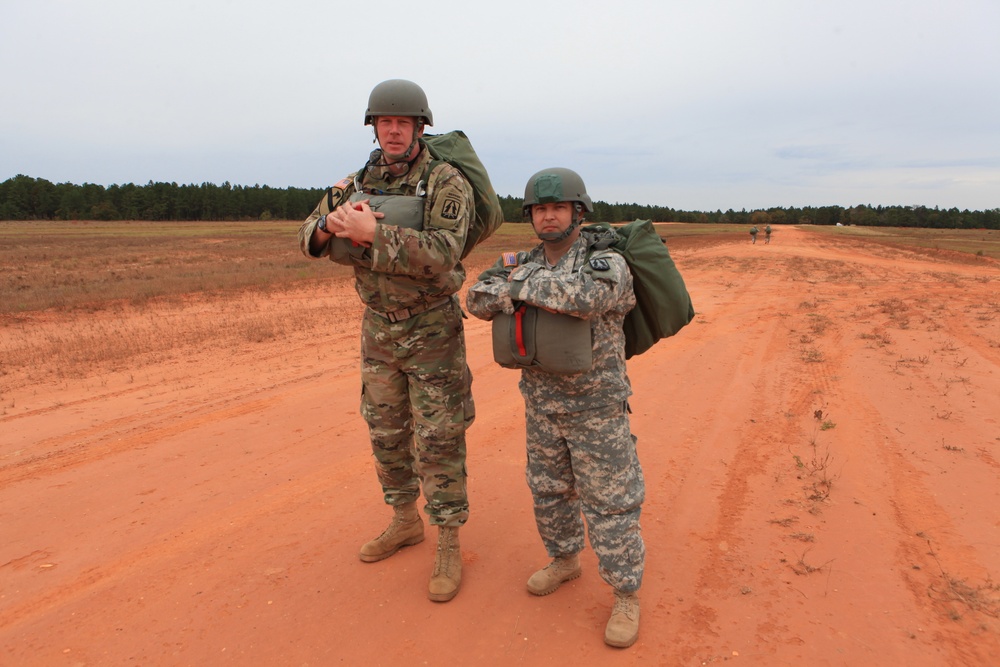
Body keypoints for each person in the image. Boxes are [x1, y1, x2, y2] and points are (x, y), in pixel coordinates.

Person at [297, 79, 475, 603]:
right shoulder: (356, 181)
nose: (393, 130)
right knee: (386, 429)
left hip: (431, 325)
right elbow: (305, 237)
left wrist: (374, 235)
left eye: (404, 122)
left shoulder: (446, 181)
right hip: (378, 326)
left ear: (421, 127)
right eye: (385, 122)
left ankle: (447, 540)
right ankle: (404, 519)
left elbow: (445, 250)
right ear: (373, 126)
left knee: (439, 435)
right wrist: (330, 226)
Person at [466, 168, 645, 648]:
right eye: (540, 209)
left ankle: (626, 593)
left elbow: (587, 297)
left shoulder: (605, 260)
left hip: (597, 410)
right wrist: (518, 281)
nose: (548, 215)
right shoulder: (518, 259)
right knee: (548, 492)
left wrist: (520, 287)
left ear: (577, 212)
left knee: (610, 504)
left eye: (558, 208)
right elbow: (477, 297)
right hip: (542, 407)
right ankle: (565, 560)